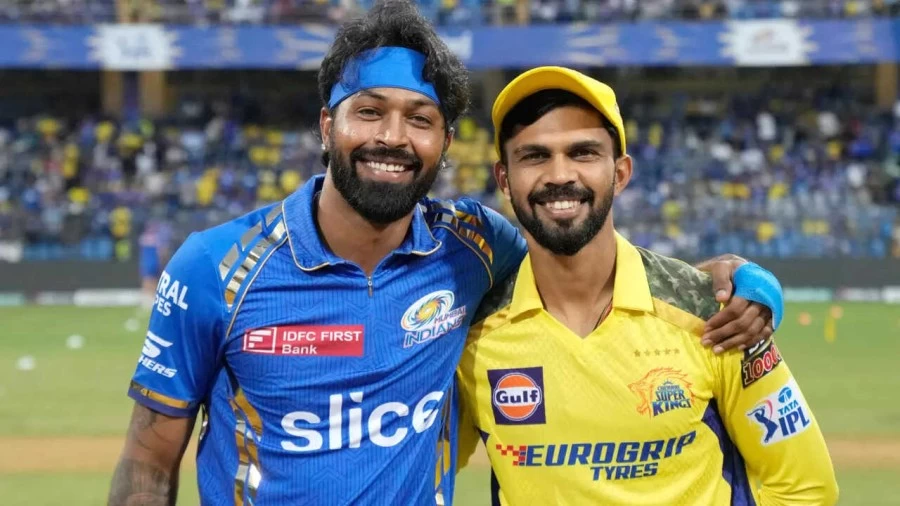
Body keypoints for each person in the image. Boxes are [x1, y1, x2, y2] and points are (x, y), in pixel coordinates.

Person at [107, 3, 783, 504]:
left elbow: (588, 261)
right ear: (327, 125)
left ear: (445, 142)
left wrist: (734, 278)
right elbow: (147, 461)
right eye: (369, 111)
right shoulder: (215, 268)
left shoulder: (475, 247)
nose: (392, 137)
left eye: (420, 119)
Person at [456, 67, 838, 505]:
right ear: (504, 179)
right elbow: (415, 473)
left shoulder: (715, 314)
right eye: (535, 156)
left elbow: (806, 488)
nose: (560, 174)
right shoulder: (470, 336)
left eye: (583, 153)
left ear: (620, 173)